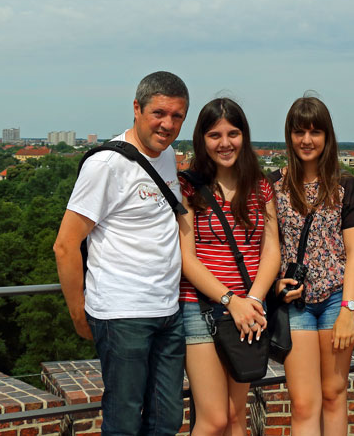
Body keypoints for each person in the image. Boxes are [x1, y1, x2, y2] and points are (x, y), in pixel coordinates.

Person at [53, 71, 190, 436]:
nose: (168, 124)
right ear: (136, 108)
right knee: (124, 421)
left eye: (178, 116)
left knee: (166, 419)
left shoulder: (167, 155)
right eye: (159, 113)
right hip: (122, 313)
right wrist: (78, 313)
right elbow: (65, 245)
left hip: (167, 310)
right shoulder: (106, 165)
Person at [177, 98, 281, 436]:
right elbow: (186, 258)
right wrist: (230, 300)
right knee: (214, 419)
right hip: (202, 307)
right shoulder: (189, 187)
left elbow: (271, 250)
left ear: (244, 136)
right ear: (202, 140)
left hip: (250, 308)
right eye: (214, 135)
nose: (225, 143)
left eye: (232, 133)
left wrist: (252, 299)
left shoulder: (259, 185)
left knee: (237, 416)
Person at [271, 96, 354, 436]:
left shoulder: (344, 185)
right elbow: (268, 249)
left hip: (337, 298)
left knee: (333, 395)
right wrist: (274, 285)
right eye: (299, 132)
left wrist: (347, 310)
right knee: (303, 403)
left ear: (327, 137)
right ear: (289, 136)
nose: (306, 140)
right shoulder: (272, 185)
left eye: (315, 132)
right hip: (295, 303)